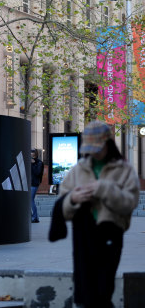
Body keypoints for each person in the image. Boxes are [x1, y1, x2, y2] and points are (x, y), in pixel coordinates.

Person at [59, 121, 139, 308]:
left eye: (98, 148)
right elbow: (62, 202)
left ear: (108, 145)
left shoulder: (123, 170)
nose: (94, 153)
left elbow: (130, 203)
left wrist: (105, 189)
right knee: (84, 285)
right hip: (83, 234)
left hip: (110, 233)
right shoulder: (79, 169)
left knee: (104, 286)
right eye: (90, 148)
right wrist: (73, 199)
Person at [30, 149, 44, 223]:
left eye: (32, 152)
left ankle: (35, 217)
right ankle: (34, 217)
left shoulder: (39, 162)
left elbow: (37, 173)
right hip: (29, 183)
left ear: (35, 154)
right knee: (30, 200)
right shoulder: (30, 162)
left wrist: (32, 164)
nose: (30, 153)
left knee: (30, 200)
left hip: (34, 183)